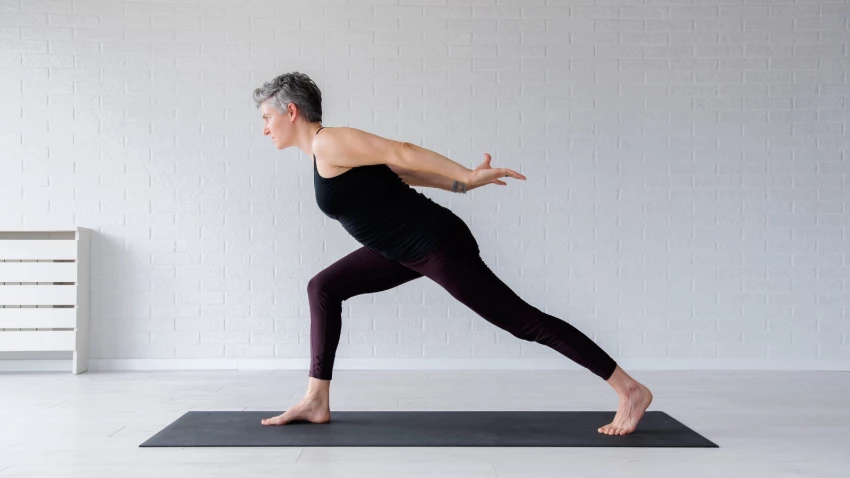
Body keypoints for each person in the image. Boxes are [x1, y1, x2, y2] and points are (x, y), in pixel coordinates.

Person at [252, 72, 652, 436]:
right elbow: (401, 174)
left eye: (267, 118)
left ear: (291, 111)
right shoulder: (324, 154)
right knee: (323, 287)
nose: (265, 129)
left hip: (435, 244)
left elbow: (402, 151)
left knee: (523, 321)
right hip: (394, 249)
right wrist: (462, 187)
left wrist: (465, 173)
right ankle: (316, 399)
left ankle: (629, 390)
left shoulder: (329, 140)